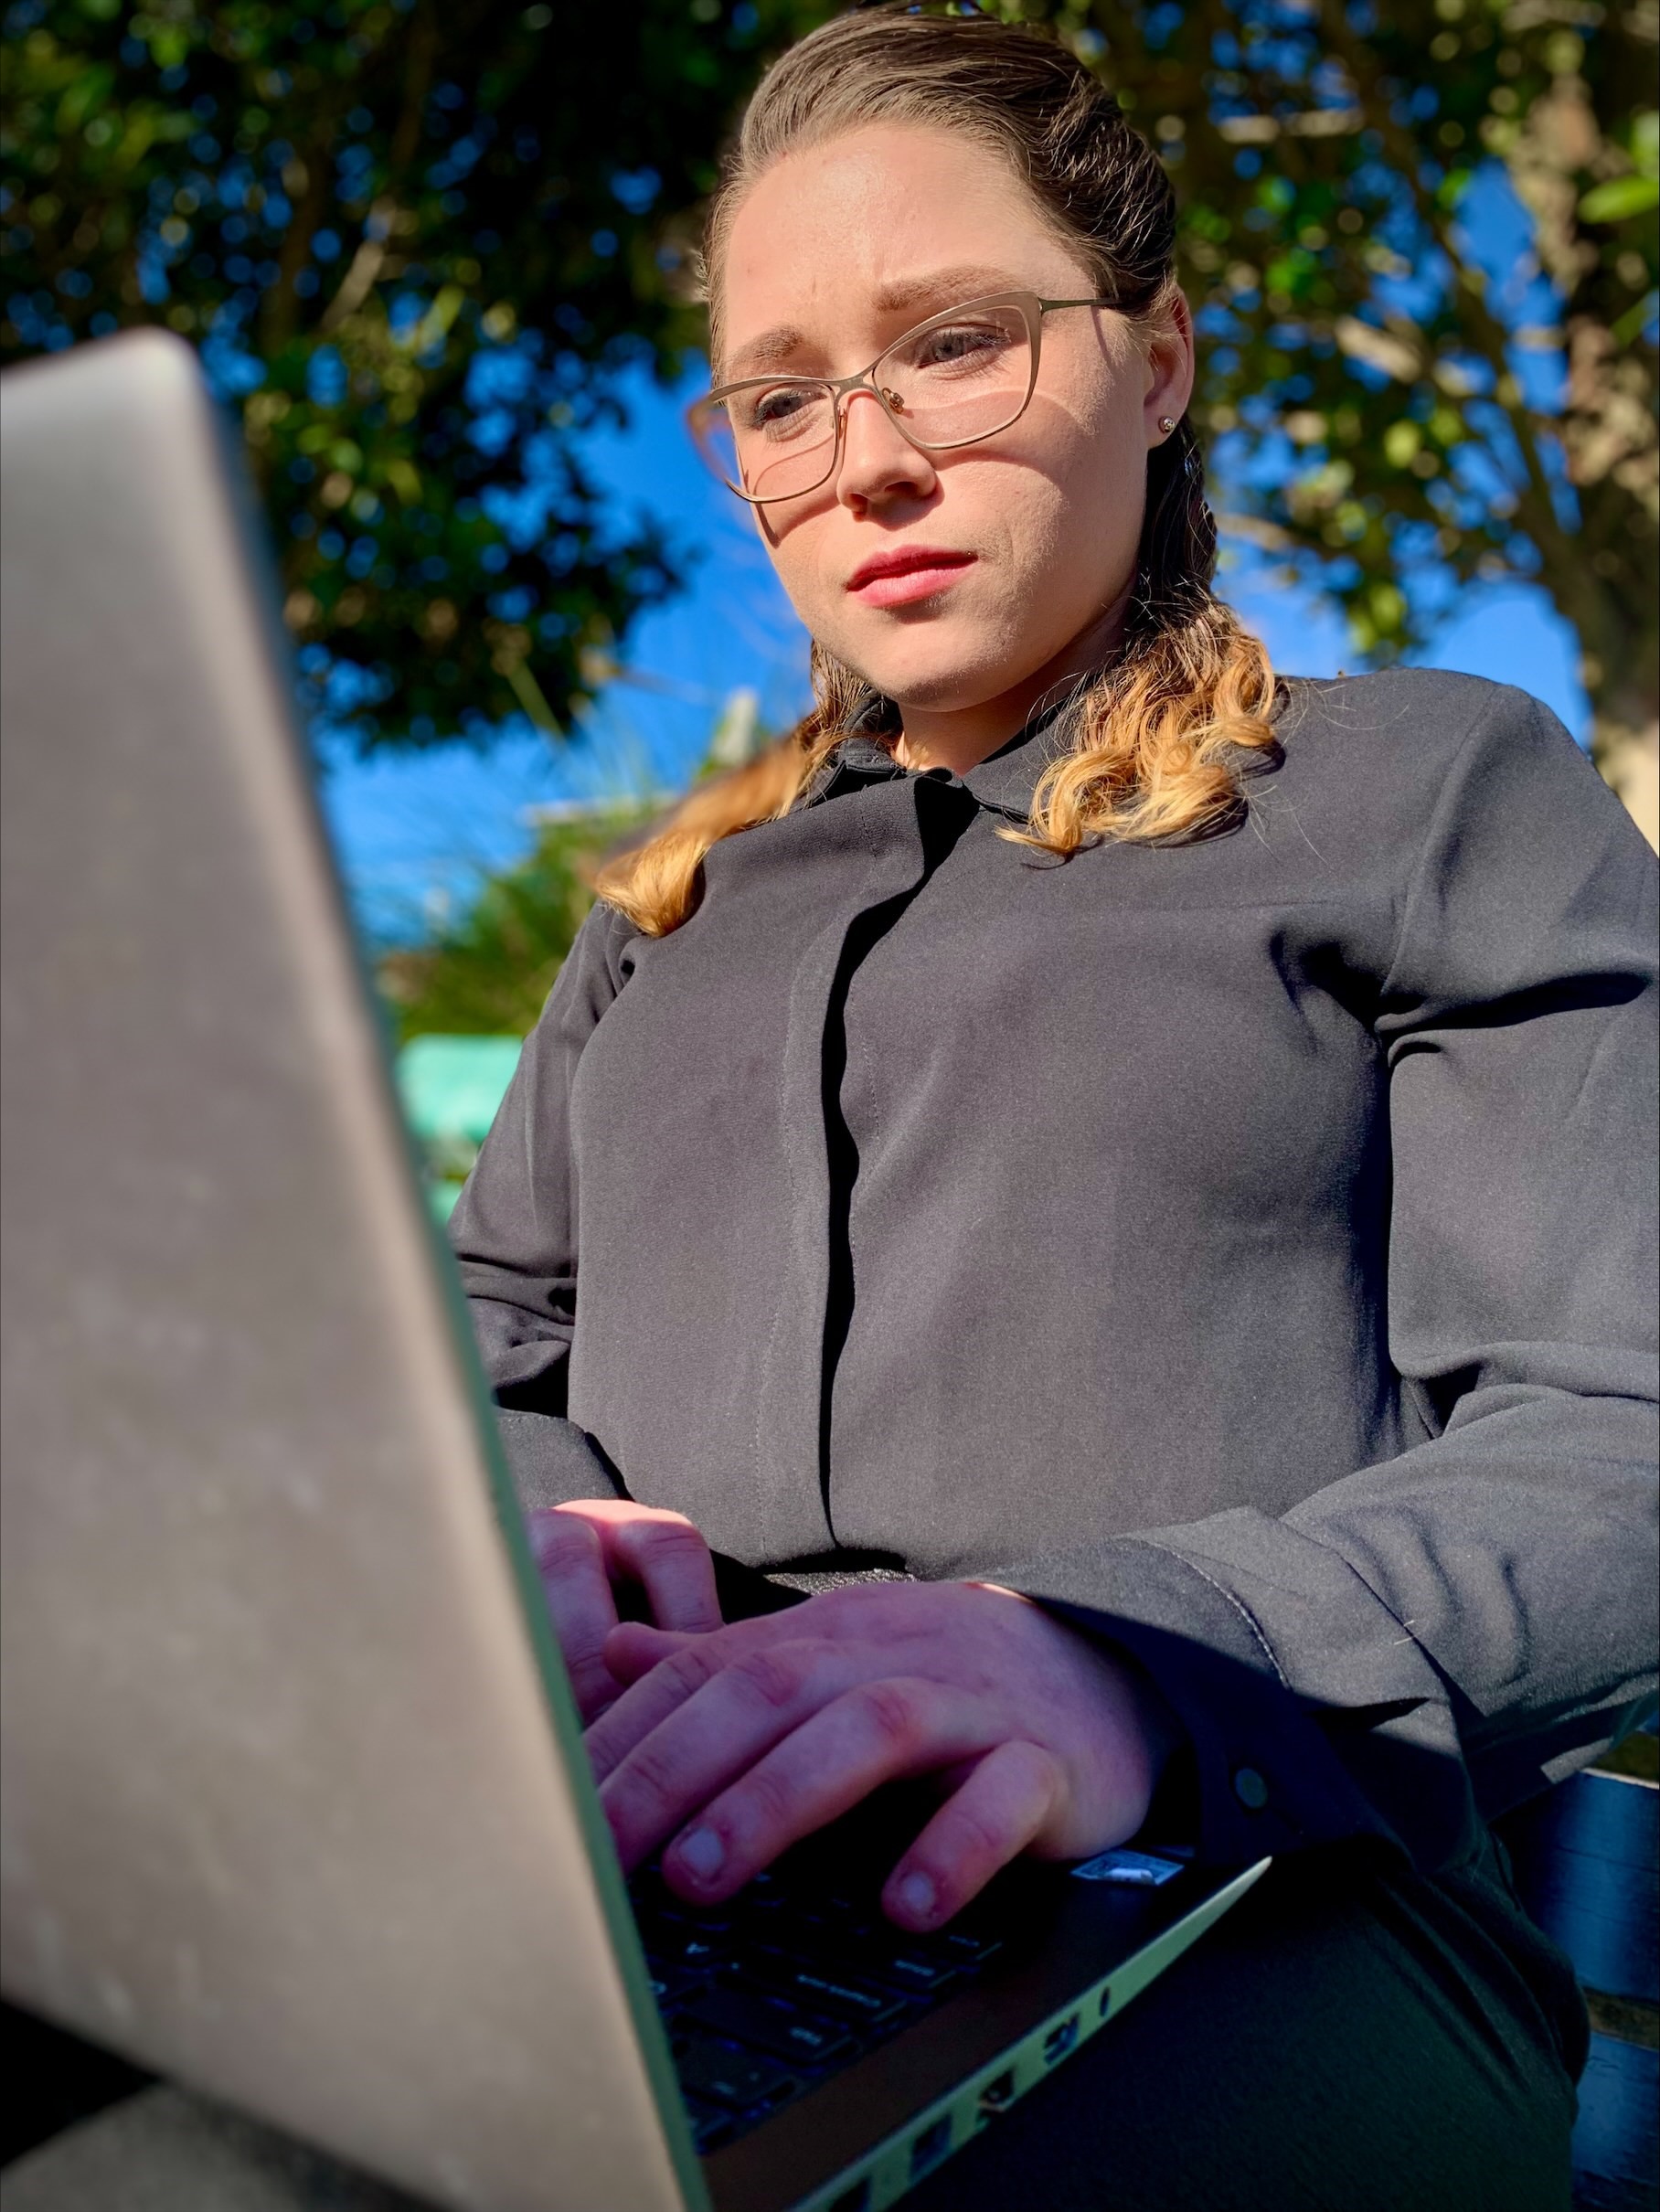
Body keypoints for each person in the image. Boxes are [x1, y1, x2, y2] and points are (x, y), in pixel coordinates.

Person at [450, 8, 1659, 2206]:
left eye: (954, 345)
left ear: (1161, 358)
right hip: (643, 1860)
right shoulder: (658, 915)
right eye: (783, 397)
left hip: (1244, 1893)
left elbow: (1622, 1416)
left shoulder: (1426, 793)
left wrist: (1122, 1661)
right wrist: (523, 1527)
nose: (870, 459)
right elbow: (482, 1335)